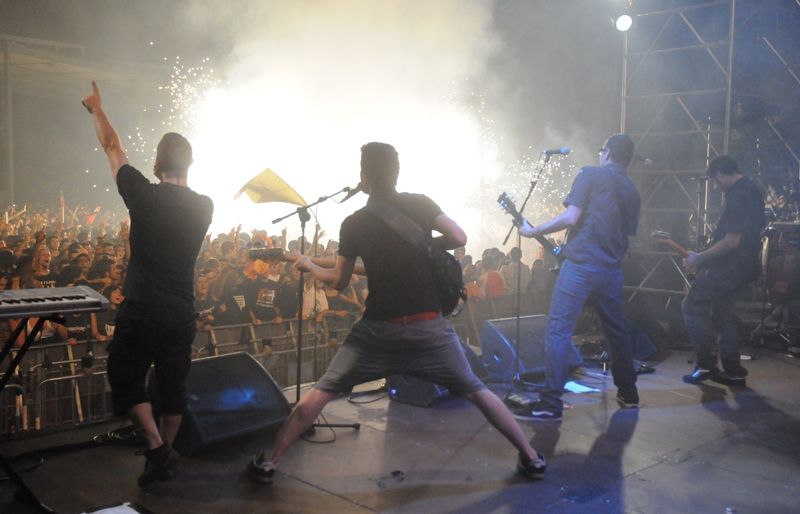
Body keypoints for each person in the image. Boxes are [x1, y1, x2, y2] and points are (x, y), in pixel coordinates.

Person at [246, 142, 545, 484]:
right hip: (429, 327)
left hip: (377, 332)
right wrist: (425, 246)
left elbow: (339, 281)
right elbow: (457, 236)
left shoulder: (355, 221)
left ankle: (268, 462)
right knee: (477, 390)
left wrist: (308, 264)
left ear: (364, 177)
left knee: (322, 391)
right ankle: (532, 458)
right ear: (396, 173)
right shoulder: (419, 203)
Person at [82, 81, 213, 486]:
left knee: (124, 377)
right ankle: (165, 456)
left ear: (158, 161)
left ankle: (157, 447)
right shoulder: (205, 205)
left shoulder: (144, 195)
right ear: (189, 164)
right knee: (173, 386)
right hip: (180, 311)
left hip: (142, 308)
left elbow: (112, 148)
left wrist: (97, 110)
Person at [516, 134, 641, 420]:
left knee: (558, 331)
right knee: (616, 332)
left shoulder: (590, 174)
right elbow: (626, 234)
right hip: (612, 270)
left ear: (607, 153)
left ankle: (550, 403)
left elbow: (571, 218)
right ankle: (629, 393)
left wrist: (533, 231)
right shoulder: (632, 190)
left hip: (582, 264)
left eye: (601, 150)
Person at [681, 156, 764, 386]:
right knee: (723, 313)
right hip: (745, 266)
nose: (717, 187)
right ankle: (733, 370)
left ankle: (706, 364)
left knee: (691, 306)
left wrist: (700, 257)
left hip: (728, 265)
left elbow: (731, 241)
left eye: (716, 182)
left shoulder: (737, 196)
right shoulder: (753, 189)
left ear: (719, 174)